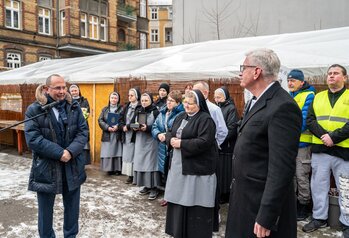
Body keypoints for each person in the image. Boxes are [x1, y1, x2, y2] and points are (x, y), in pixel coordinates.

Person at [225, 48, 302, 238]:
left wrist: (267, 215)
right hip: (245, 199)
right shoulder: (257, 101)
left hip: (260, 208)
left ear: (257, 71)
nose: (240, 72)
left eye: (244, 67)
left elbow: (282, 168)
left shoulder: (282, 106)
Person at [24, 74, 88, 238]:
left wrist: (70, 152)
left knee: (72, 207)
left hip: (72, 165)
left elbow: (83, 132)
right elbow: (33, 139)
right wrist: (60, 153)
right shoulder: (34, 109)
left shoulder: (73, 105)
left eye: (63, 87)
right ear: (46, 89)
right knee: (45, 210)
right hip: (46, 167)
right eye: (57, 88)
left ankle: (70, 235)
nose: (62, 91)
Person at [302, 64, 349, 237]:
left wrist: (334, 138)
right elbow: (310, 120)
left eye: (336, 73)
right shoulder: (318, 97)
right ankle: (319, 217)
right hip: (321, 149)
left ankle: (347, 222)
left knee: (345, 188)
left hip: (343, 151)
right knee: (318, 185)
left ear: (344, 77)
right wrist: (325, 136)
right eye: (329, 73)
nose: (331, 76)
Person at [164, 89, 217, 238]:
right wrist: (170, 140)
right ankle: (178, 230)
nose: (186, 106)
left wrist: (182, 143)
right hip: (178, 165)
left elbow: (205, 142)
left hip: (195, 167)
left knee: (192, 198)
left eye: (190, 103)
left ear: (199, 104)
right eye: (185, 102)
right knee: (178, 197)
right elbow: (170, 132)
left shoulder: (205, 120)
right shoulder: (180, 116)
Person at [193, 81, 228, 231]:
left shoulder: (213, 109)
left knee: (211, 185)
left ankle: (214, 214)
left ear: (205, 93)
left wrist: (213, 146)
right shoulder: (192, 109)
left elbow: (222, 131)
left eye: (196, 91)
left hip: (209, 154)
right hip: (194, 152)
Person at [287, 69, 315, 221]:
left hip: (303, 145)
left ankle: (304, 206)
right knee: (290, 176)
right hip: (290, 144)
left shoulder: (309, 95)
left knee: (301, 176)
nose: (290, 83)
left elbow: (303, 121)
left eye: (293, 80)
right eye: (289, 80)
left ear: (301, 82)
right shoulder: (290, 95)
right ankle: (293, 205)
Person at [151, 90, 184, 206]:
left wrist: (167, 136)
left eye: (172, 101)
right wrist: (158, 134)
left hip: (173, 146)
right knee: (165, 171)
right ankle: (167, 194)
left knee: (173, 172)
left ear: (178, 102)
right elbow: (155, 126)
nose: (168, 103)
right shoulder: (163, 112)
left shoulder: (181, 114)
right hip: (161, 146)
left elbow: (179, 130)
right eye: (168, 100)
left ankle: (172, 197)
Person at [133, 92, 161, 200]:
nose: (144, 103)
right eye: (142, 101)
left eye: (146, 100)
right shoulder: (139, 111)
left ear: (151, 101)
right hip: (140, 140)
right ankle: (146, 185)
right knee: (142, 163)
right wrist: (135, 127)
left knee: (151, 164)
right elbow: (132, 123)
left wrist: (147, 128)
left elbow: (158, 126)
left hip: (151, 141)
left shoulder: (155, 112)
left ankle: (154, 187)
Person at [214, 86, 239, 204]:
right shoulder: (216, 108)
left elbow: (232, 128)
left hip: (226, 145)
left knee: (226, 171)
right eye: (215, 97)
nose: (216, 99)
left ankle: (226, 194)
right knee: (219, 170)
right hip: (218, 144)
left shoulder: (231, 109)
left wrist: (220, 140)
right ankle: (220, 192)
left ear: (225, 97)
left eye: (219, 97)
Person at [119, 88, 142, 184]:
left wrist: (128, 126)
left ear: (136, 96)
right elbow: (120, 119)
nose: (129, 97)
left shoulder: (140, 107)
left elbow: (139, 124)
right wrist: (122, 126)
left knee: (134, 155)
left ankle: (135, 175)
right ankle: (129, 175)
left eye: (131, 95)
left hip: (135, 134)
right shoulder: (126, 107)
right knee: (128, 156)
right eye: (129, 95)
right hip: (126, 135)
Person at [98, 92, 123, 175]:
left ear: (118, 99)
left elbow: (124, 120)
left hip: (117, 133)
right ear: (109, 99)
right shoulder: (105, 109)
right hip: (107, 134)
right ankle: (109, 168)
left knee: (117, 150)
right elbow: (100, 120)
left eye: (115, 98)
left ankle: (117, 169)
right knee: (108, 150)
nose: (113, 99)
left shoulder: (122, 109)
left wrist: (118, 126)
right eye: (112, 98)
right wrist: (107, 127)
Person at [69, 84, 91, 165]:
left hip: (83, 125)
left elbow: (87, 112)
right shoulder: (68, 101)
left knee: (83, 144)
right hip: (72, 126)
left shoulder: (84, 101)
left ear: (79, 91)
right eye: (72, 91)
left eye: (75, 90)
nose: (74, 92)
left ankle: (83, 163)